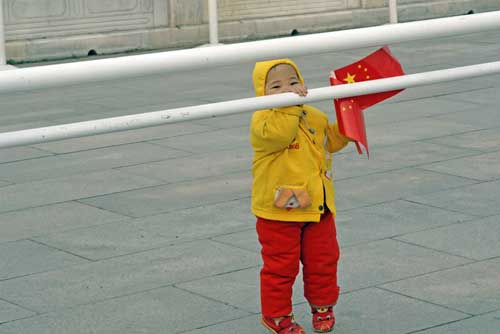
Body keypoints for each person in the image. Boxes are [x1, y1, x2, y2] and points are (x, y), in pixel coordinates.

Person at [250, 59, 350, 334]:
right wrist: (290, 105)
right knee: (281, 266)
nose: (288, 90)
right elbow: (281, 136)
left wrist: (346, 125)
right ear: (262, 93)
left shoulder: (312, 115)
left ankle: (322, 306)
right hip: (279, 212)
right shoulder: (263, 120)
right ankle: (277, 315)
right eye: (277, 86)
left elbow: (330, 141)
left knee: (324, 260)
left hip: (318, 207)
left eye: (293, 82)